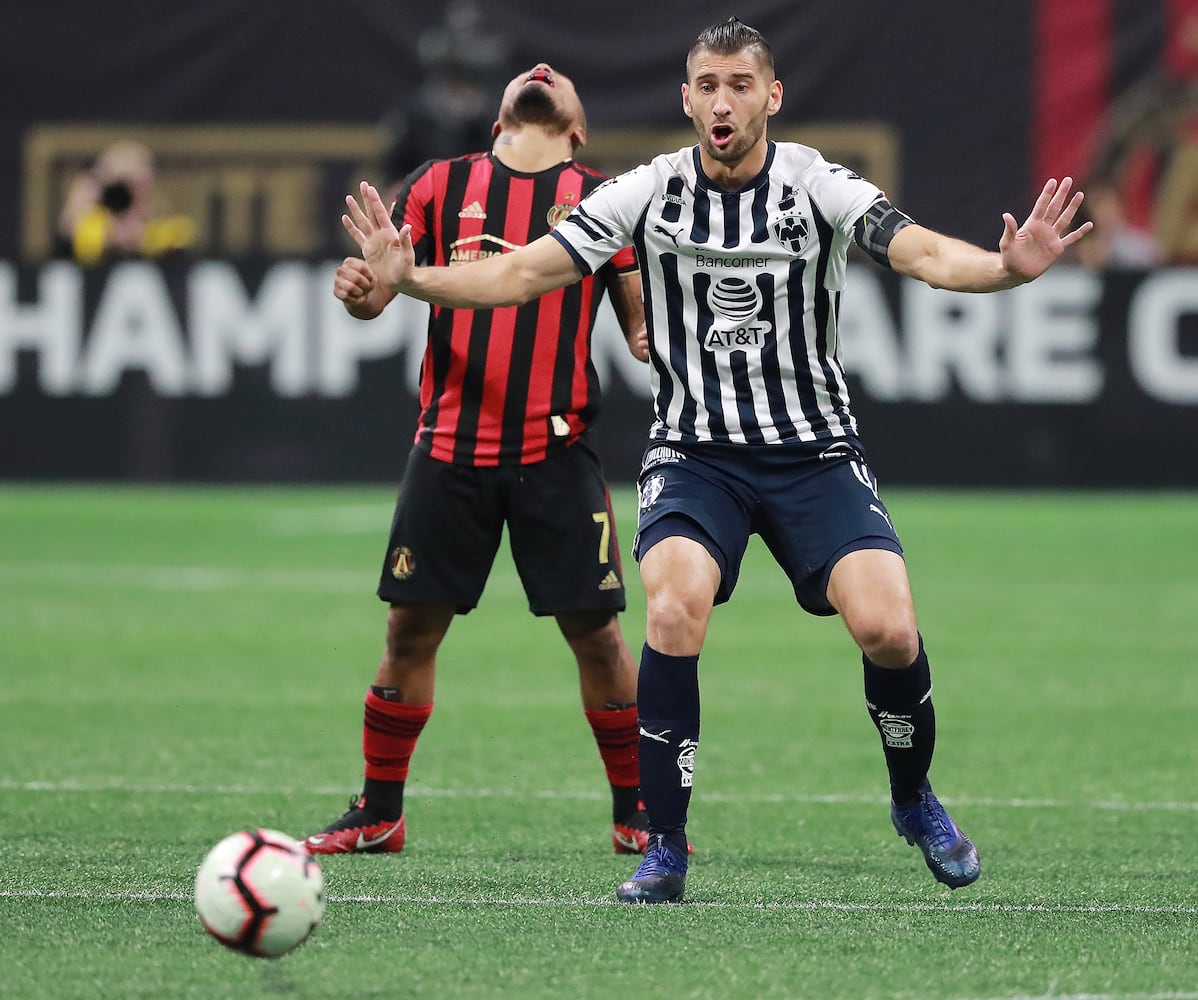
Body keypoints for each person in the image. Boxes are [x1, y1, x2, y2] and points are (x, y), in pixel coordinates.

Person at [337, 18, 1093, 902]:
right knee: (672, 608)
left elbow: (923, 252)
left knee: (889, 628)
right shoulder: (648, 191)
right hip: (695, 455)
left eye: (741, 84)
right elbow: (521, 273)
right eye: (708, 84)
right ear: (687, 99)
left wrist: (1007, 269)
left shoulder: (815, 183)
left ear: (771, 96)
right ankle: (665, 846)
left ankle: (913, 795)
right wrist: (412, 278)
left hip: (813, 452)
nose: (723, 100)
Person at [302, 62, 668, 859]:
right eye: (528, 74)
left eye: (560, 77)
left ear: (578, 130)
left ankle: (638, 813)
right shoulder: (438, 185)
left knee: (600, 639)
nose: (541, 71)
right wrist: (364, 291)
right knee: (408, 631)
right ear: (499, 117)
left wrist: (659, 335)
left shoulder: (606, 200)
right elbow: (380, 295)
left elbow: (643, 333)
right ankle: (380, 812)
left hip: (556, 450)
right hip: (450, 448)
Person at [53, 140, 194, 266]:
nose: (126, 198)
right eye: (120, 189)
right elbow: (65, 259)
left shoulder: (168, 232)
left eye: (138, 186)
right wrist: (74, 216)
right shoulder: (90, 228)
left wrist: (141, 237)